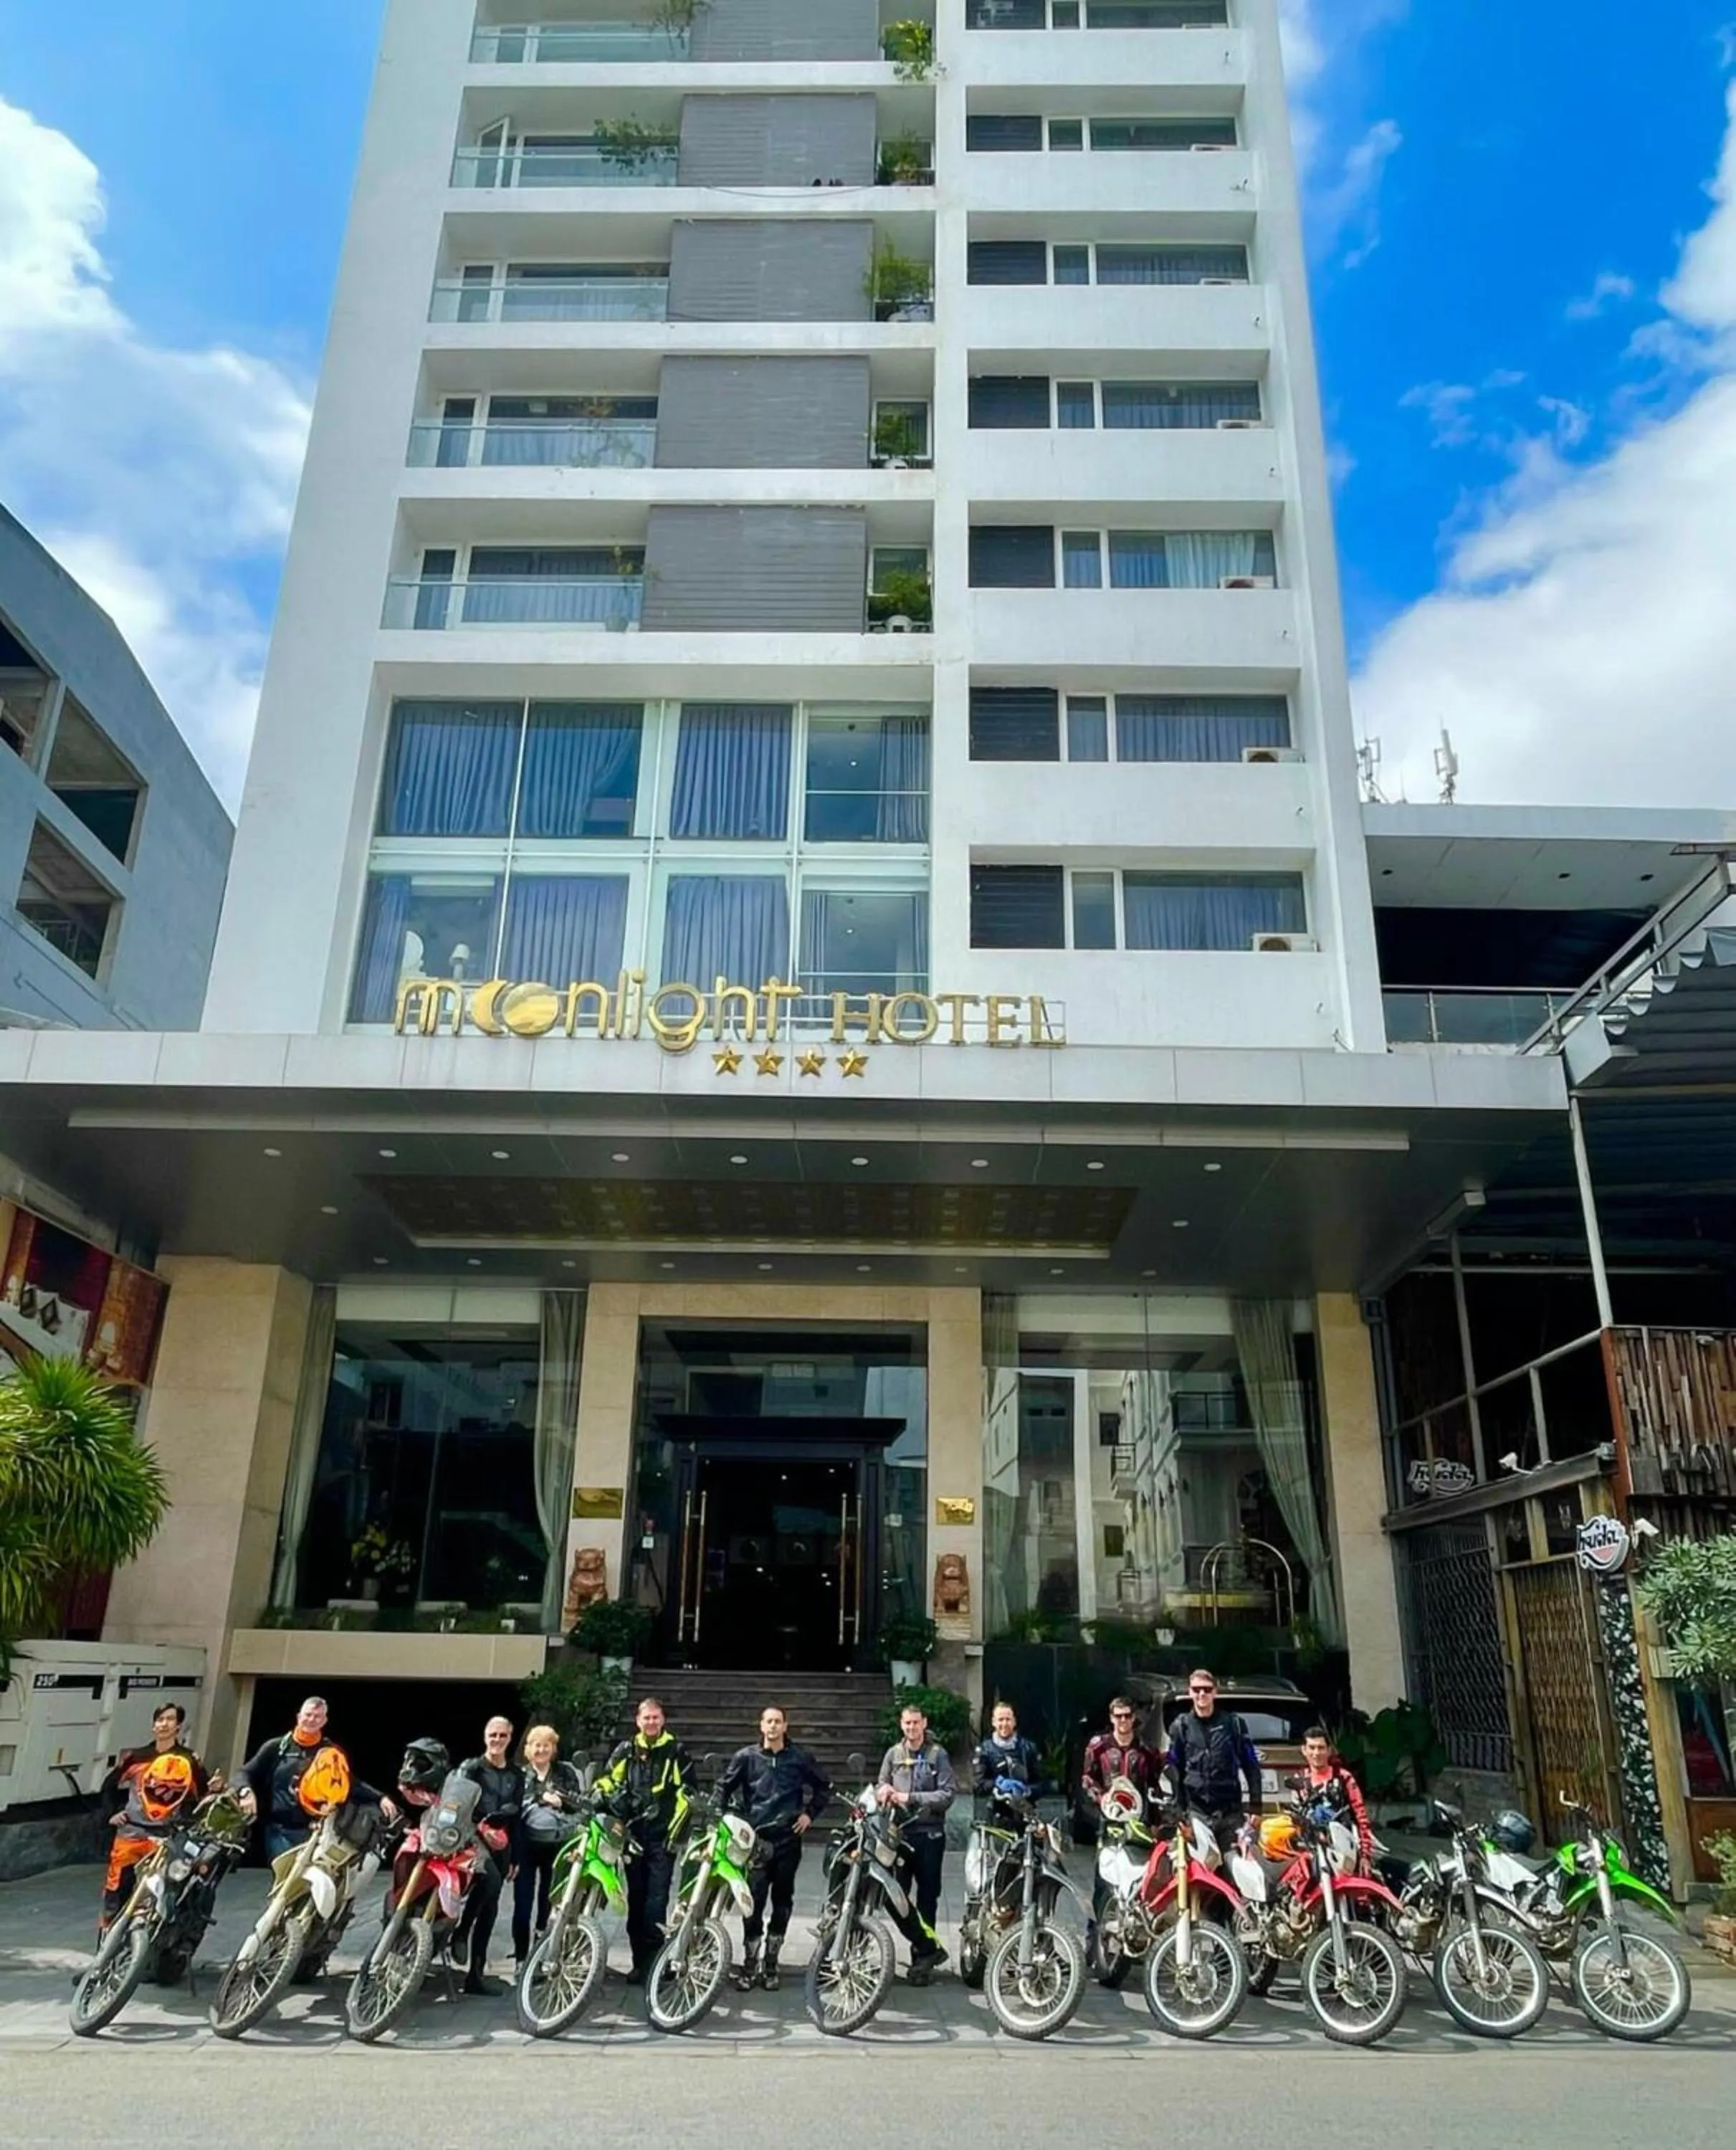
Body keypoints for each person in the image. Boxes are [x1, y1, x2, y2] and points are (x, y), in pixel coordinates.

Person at [721, 1704, 831, 1992]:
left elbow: (824, 1786)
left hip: (788, 1840)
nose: (772, 1727)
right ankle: (749, 1962)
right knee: (753, 1902)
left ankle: (771, 1962)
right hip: (756, 1841)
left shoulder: (799, 1757)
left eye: (778, 1722)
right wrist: (727, 1821)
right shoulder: (746, 1757)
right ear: (761, 1726)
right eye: (768, 1721)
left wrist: (809, 1814)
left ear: (785, 1726)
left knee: (783, 1900)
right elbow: (723, 1788)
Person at [593, 1696, 692, 1984]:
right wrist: (606, 1799)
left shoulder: (676, 1751)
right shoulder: (626, 1750)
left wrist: (674, 1834)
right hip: (632, 1837)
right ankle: (640, 1963)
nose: (651, 1722)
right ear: (638, 1721)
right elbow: (608, 1781)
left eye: (656, 1717)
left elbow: (687, 1794)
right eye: (646, 1718)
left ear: (663, 1720)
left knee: (656, 1902)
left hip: (663, 1839)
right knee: (636, 1901)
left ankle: (655, 1964)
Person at [234, 1695, 396, 1860]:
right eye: (308, 1715)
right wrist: (245, 1792)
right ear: (299, 1717)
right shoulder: (277, 1747)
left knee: (312, 1882)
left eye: (317, 1716)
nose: (312, 1720)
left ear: (324, 1721)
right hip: (280, 1831)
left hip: (317, 1830)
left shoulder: (331, 1753)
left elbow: (351, 1784)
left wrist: (380, 1797)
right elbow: (244, 1773)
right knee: (288, 1880)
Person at [97, 1703, 211, 1934]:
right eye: (160, 1719)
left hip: (165, 1838)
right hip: (130, 1835)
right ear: (153, 1725)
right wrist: (112, 1814)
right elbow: (109, 1785)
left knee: (160, 1895)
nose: (164, 1724)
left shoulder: (188, 1761)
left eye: (170, 1719)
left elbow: (202, 1794)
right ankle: (103, 1956)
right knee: (115, 1894)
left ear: (178, 1726)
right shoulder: (136, 1757)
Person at [877, 1702, 956, 1984]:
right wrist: (883, 1791)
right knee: (895, 1897)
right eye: (907, 1723)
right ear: (902, 1725)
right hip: (899, 1836)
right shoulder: (894, 1754)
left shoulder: (938, 1755)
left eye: (916, 1722)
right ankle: (925, 1946)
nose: (911, 1727)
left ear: (924, 1723)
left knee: (927, 1898)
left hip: (929, 1837)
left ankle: (922, 1960)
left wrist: (910, 1798)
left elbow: (947, 1795)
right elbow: (880, 1785)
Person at [454, 1715, 525, 1994]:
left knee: (491, 1908)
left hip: (502, 1843)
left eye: (502, 1736)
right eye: (492, 1735)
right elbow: (456, 1801)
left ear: (510, 1738)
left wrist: (516, 1857)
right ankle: (461, 1931)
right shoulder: (471, 1768)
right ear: (485, 1737)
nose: (497, 1741)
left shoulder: (516, 1776)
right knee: (491, 1881)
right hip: (471, 1839)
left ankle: (475, 1976)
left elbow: (516, 1818)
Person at [512, 1723, 586, 1972]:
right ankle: (521, 1958)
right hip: (526, 1845)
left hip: (557, 1844)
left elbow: (579, 1804)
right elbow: (514, 1809)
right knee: (522, 1904)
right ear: (528, 1749)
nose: (541, 1749)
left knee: (549, 1901)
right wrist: (540, 1799)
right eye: (537, 1744)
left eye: (547, 1745)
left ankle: (541, 1953)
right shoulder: (519, 1775)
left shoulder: (565, 1773)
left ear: (553, 1748)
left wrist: (561, 1801)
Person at [1165, 1668, 1263, 1853]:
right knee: (1197, 1870)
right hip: (1197, 1813)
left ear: (1215, 1692)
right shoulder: (1181, 1726)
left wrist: (1256, 1806)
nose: (1202, 1694)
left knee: (1237, 1868)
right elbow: (1174, 1769)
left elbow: (1251, 1764)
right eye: (1197, 1689)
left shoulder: (1234, 1724)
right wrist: (1179, 1815)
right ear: (1190, 1692)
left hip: (1230, 1813)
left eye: (1207, 1689)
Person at [1288, 1726, 1373, 1868]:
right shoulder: (1300, 1781)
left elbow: (1361, 1816)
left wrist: (1366, 1856)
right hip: (1312, 1851)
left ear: (1329, 1751)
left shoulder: (1343, 1778)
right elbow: (1295, 1821)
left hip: (1345, 1848)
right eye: (1312, 1748)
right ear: (1304, 1750)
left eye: (1321, 1748)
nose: (1316, 1753)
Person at [972, 1701, 1045, 1817]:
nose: (1004, 1724)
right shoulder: (984, 1750)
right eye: (1000, 1720)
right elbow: (978, 1785)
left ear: (1014, 1722)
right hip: (995, 1815)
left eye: (1008, 1719)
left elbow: (1042, 1784)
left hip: (1025, 1813)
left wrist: (1027, 1791)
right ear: (993, 1722)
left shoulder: (1028, 1748)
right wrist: (997, 1786)